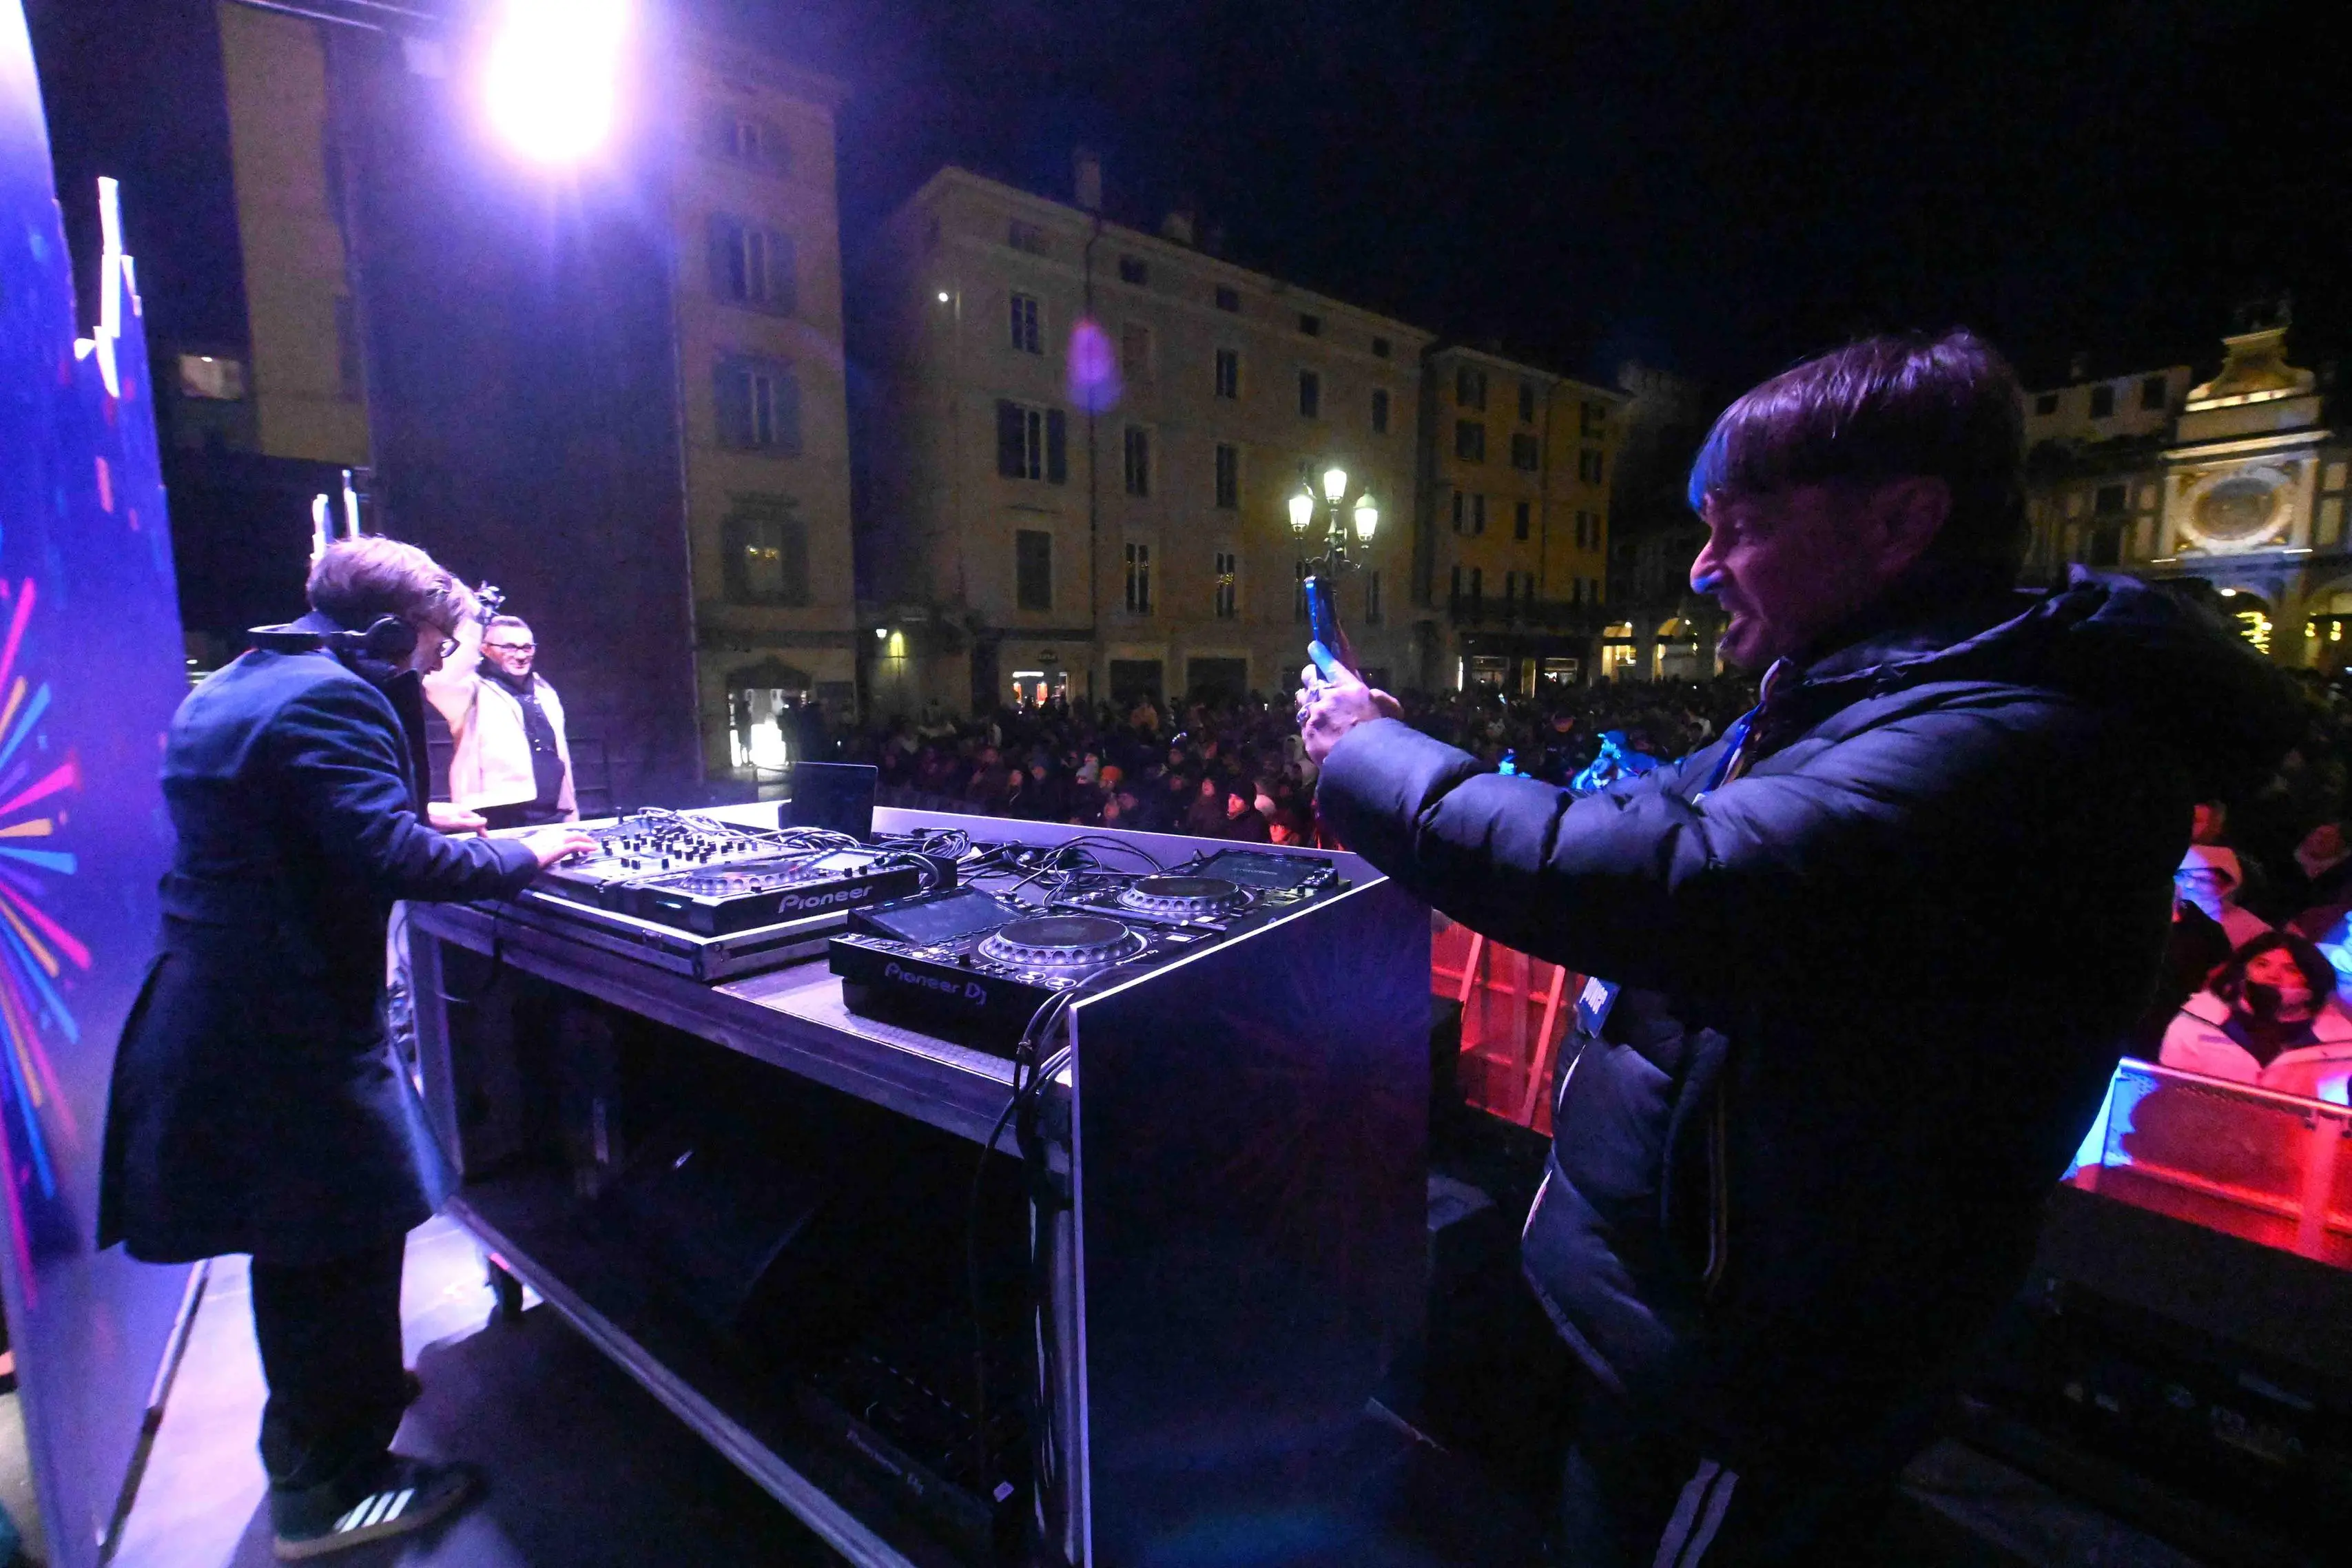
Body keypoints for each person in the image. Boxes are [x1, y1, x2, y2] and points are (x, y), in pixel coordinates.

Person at [1296, 331, 2304, 1564]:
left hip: (1759, 1369)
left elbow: (1675, 881)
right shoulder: (1861, 696)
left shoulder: (2009, 742)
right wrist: (1397, 745)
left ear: (1899, 521)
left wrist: (1362, 761)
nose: (1703, 569)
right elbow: (1631, 817)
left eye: (1739, 527)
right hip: (1682, 1323)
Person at [97, 539, 597, 1558]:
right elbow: (389, 858)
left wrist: (419, 807)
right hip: (285, 1031)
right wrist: (523, 848)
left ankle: (340, 1411)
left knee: (314, 1237)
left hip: (224, 1007)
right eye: (429, 645)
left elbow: (291, 814)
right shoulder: (337, 698)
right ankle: (331, 1488)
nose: (430, 667)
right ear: (381, 631)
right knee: (337, 1240)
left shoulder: (243, 680)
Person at [422, 612, 577, 829]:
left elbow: (560, 757)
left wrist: (571, 812)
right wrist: (474, 622)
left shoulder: (545, 692)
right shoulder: (471, 694)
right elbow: (440, 680)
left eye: (527, 647)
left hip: (551, 814)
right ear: (485, 650)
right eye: (509, 647)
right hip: (497, 818)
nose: (521, 655)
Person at [2161, 931, 2352, 1097]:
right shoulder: (2197, 1022)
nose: (2273, 975)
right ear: (2243, 972)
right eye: (2262, 965)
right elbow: (2170, 1091)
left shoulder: (2342, 1045)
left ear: (2312, 982)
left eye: (2291, 969)